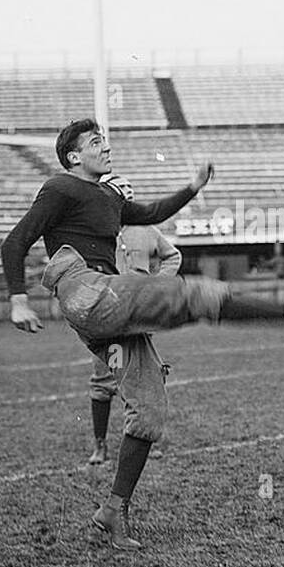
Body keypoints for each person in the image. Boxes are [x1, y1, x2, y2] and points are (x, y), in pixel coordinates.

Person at [1, 118, 284, 550]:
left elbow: (152, 213)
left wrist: (193, 187)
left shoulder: (108, 198)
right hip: (89, 290)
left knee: (149, 409)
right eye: (96, 142)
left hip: (106, 304)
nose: (106, 146)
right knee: (194, 295)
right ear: (74, 157)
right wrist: (17, 299)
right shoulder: (61, 187)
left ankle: (113, 511)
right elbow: (15, 241)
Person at [86, 174, 182, 467]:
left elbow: (172, 256)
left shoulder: (147, 228)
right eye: (121, 189)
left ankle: (144, 440)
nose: (127, 194)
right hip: (108, 315)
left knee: (147, 374)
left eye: (131, 189)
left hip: (139, 314)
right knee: (105, 378)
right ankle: (100, 445)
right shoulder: (96, 229)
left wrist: (156, 284)